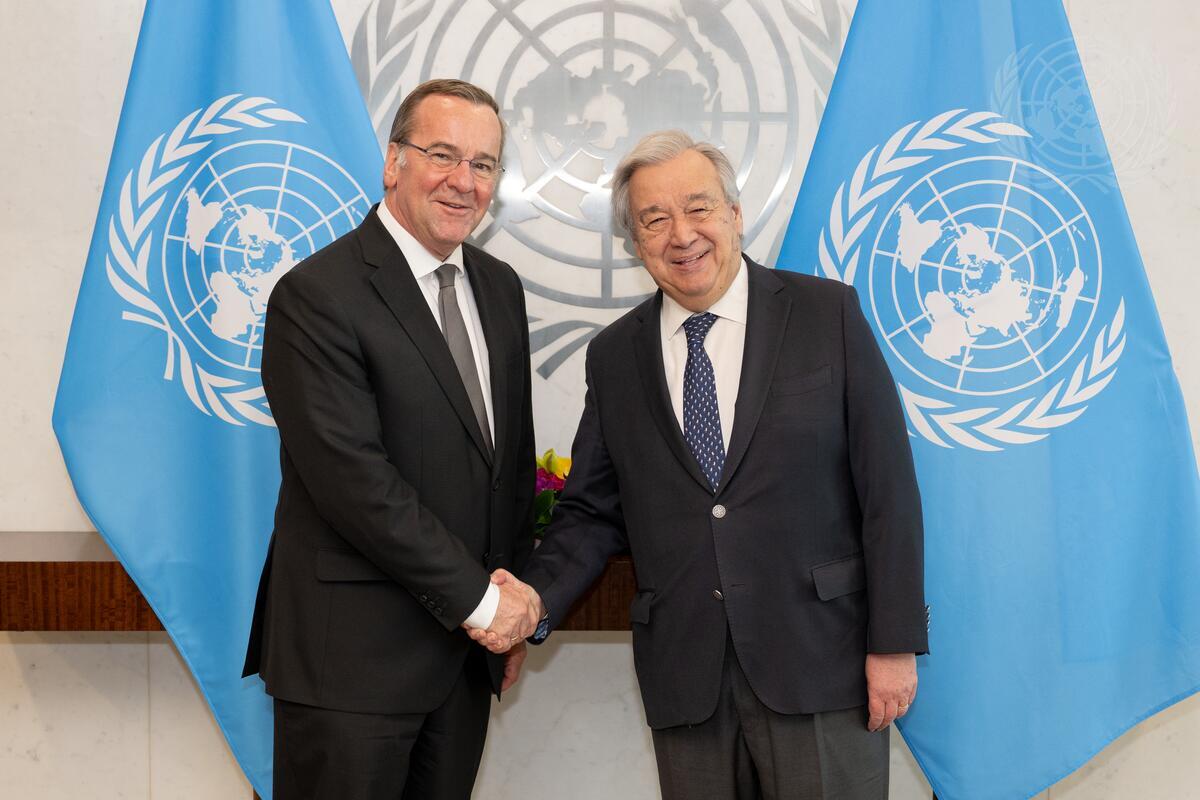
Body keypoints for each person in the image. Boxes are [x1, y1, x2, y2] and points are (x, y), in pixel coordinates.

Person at [472, 130, 928, 799]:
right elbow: (591, 511)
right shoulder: (615, 356)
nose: (682, 234)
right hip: (687, 680)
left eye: (699, 208)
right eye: (654, 219)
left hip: (821, 661)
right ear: (636, 243)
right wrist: (533, 601)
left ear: (735, 214)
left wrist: (893, 643)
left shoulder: (826, 313)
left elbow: (888, 489)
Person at [243, 79, 541, 800]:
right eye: (442, 154)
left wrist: (511, 606)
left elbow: (505, 468)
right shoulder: (317, 295)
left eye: (483, 164)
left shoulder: (499, 288)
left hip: (463, 661)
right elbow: (355, 484)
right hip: (350, 667)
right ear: (393, 162)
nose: (463, 181)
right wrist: (484, 606)